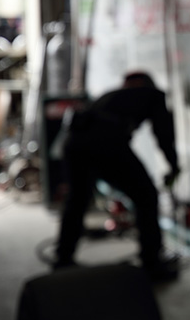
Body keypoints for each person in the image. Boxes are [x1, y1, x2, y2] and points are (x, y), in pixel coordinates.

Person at [54, 71, 181, 281]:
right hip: (106, 143)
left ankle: (63, 259)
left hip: (74, 144)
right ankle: (152, 264)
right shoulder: (153, 95)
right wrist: (174, 165)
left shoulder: (111, 96)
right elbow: (163, 134)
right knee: (147, 197)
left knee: (77, 201)